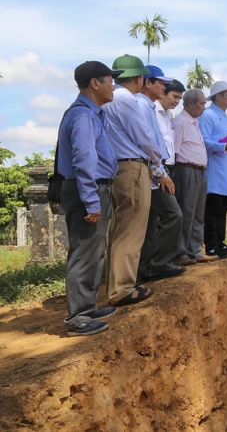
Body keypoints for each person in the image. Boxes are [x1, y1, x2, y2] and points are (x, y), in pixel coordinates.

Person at [57, 61, 122, 336]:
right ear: (95, 83)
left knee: (95, 250)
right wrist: (92, 201)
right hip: (87, 189)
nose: (113, 87)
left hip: (93, 187)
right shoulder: (84, 116)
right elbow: (84, 161)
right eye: (110, 81)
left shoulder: (92, 113)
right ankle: (78, 317)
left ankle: (87, 306)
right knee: (84, 251)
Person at [101, 54, 160, 307]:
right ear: (139, 79)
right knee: (131, 229)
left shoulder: (108, 98)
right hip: (133, 166)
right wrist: (156, 159)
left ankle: (114, 285)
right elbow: (144, 136)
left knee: (119, 228)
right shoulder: (126, 99)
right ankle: (123, 288)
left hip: (115, 167)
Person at [136, 68, 187, 282]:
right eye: (173, 95)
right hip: (155, 169)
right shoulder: (147, 108)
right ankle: (160, 263)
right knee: (173, 214)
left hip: (163, 167)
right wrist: (159, 172)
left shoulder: (165, 115)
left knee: (152, 220)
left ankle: (146, 267)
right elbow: (149, 143)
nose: (176, 100)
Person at [173, 89, 216, 263]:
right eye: (202, 103)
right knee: (186, 212)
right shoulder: (181, 122)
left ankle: (195, 250)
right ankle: (180, 253)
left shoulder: (194, 123)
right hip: (186, 170)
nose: (204, 107)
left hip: (200, 171)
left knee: (198, 212)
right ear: (190, 103)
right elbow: (174, 151)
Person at [200, 80, 227, 258]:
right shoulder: (208, 115)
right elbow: (204, 140)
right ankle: (211, 245)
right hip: (214, 168)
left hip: (226, 168)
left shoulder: (224, 116)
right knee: (213, 207)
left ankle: (220, 242)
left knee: (223, 206)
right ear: (218, 97)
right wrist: (224, 147)